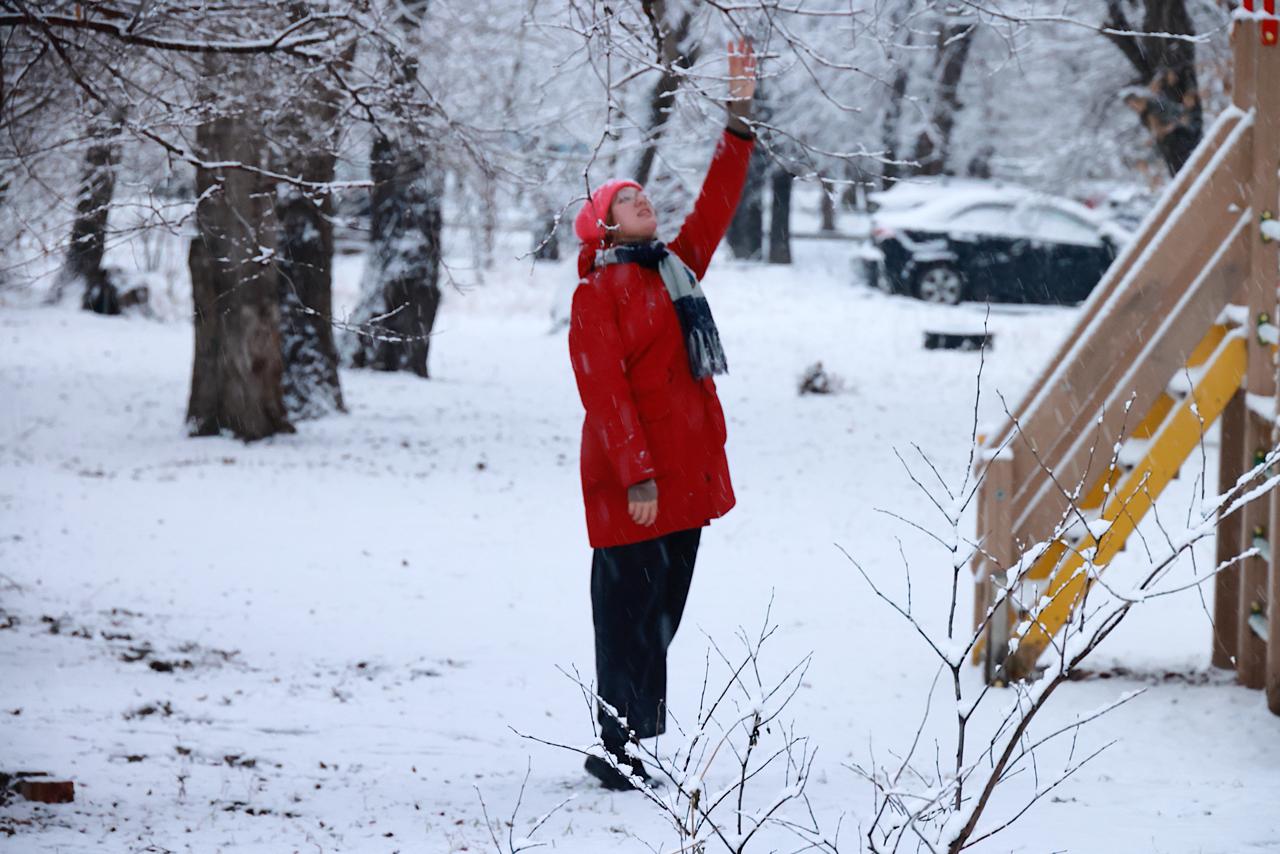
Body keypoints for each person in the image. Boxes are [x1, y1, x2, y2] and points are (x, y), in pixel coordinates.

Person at [567, 38, 758, 791]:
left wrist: (739, 117)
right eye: (625, 200)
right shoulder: (597, 295)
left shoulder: (675, 270)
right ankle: (616, 747)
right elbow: (604, 392)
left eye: (641, 194)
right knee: (626, 615)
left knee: (661, 616)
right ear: (604, 228)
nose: (642, 199)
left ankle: (630, 742)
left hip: (684, 481)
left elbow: (717, 200)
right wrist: (637, 474)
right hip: (631, 483)